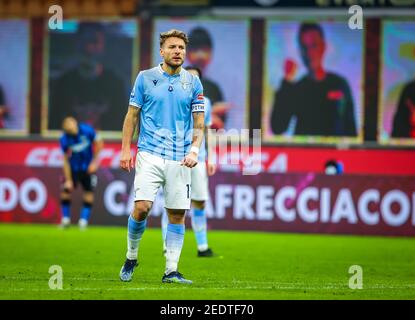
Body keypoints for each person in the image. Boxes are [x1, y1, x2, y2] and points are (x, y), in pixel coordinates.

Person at [118, 29, 205, 284]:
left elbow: (199, 121)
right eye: (173, 47)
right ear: (162, 51)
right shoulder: (145, 78)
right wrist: (125, 149)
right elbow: (132, 116)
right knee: (142, 207)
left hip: (180, 157)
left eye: (181, 48)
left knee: (177, 214)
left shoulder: (193, 82)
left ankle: (171, 271)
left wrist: (194, 150)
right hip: (149, 153)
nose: (178, 51)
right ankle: (131, 256)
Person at [161, 66, 217, 258]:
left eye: (196, 78)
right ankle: (166, 244)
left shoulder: (206, 103)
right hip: (174, 156)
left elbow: (207, 130)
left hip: (198, 158)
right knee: (171, 202)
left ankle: (202, 247)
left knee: (200, 201)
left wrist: (212, 156)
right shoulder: (171, 99)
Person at [270, 23, 357, 137]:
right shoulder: (297, 89)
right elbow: (278, 127)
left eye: (314, 46)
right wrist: (287, 81)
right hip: (303, 153)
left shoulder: (340, 84)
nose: (310, 53)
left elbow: (351, 130)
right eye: (304, 47)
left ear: (323, 46)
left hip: (336, 154)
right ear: (300, 51)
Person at [48, 22, 126, 131]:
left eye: (94, 41)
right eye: (85, 41)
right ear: (77, 44)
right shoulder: (64, 83)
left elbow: (122, 127)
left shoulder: (115, 84)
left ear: (103, 45)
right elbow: (53, 126)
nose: (89, 48)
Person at [59, 116, 103, 229]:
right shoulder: (64, 139)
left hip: (88, 168)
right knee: (66, 190)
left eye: (71, 126)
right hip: (73, 168)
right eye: (67, 129)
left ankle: (83, 221)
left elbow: (99, 143)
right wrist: (68, 179)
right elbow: (65, 160)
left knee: (88, 193)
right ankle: (65, 220)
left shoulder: (87, 130)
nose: (70, 130)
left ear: (75, 123)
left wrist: (95, 162)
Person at [187, 27, 230, 130]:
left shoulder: (214, 88)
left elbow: (220, 124)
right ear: (187, 53)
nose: (200, 55)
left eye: (205, 50)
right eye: (195, 50)